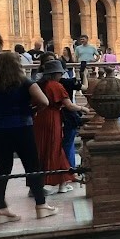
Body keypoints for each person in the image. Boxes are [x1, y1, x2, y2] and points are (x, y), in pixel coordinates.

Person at [0, 50, 54, 223]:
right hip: (23, 128)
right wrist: (33, 111)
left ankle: (0, 209)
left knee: (2, 169)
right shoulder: (25, 82)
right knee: (32, 167)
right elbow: (45, 102)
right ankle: (41, 206)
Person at [36, 60, 85, 194]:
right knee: (56, 149)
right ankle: (62, 184)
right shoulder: (56, 86)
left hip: (39, 118)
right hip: (52, 118)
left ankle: (38, 184)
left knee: (41, 150)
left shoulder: (38, 85)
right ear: (56, 73)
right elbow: (69, 105)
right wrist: (82, 108)